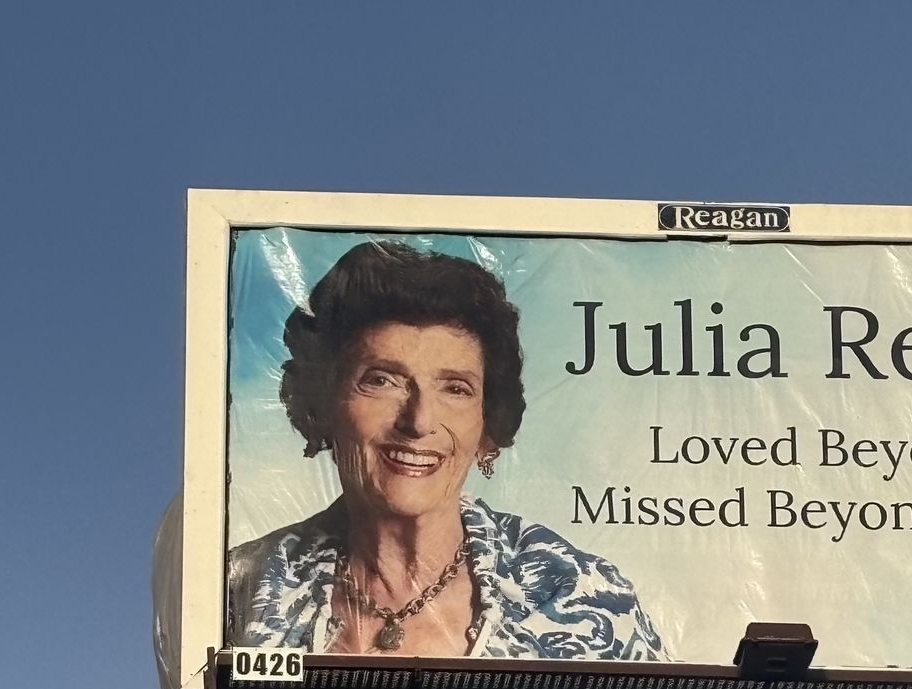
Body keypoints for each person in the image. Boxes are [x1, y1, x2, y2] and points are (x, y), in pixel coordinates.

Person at [226, 239, 664, 660]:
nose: (418, 422)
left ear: (487, 422)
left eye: (455, 388)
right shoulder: (239, 590)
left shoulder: (580, 595)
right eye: (381, 380)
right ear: (323, 402)